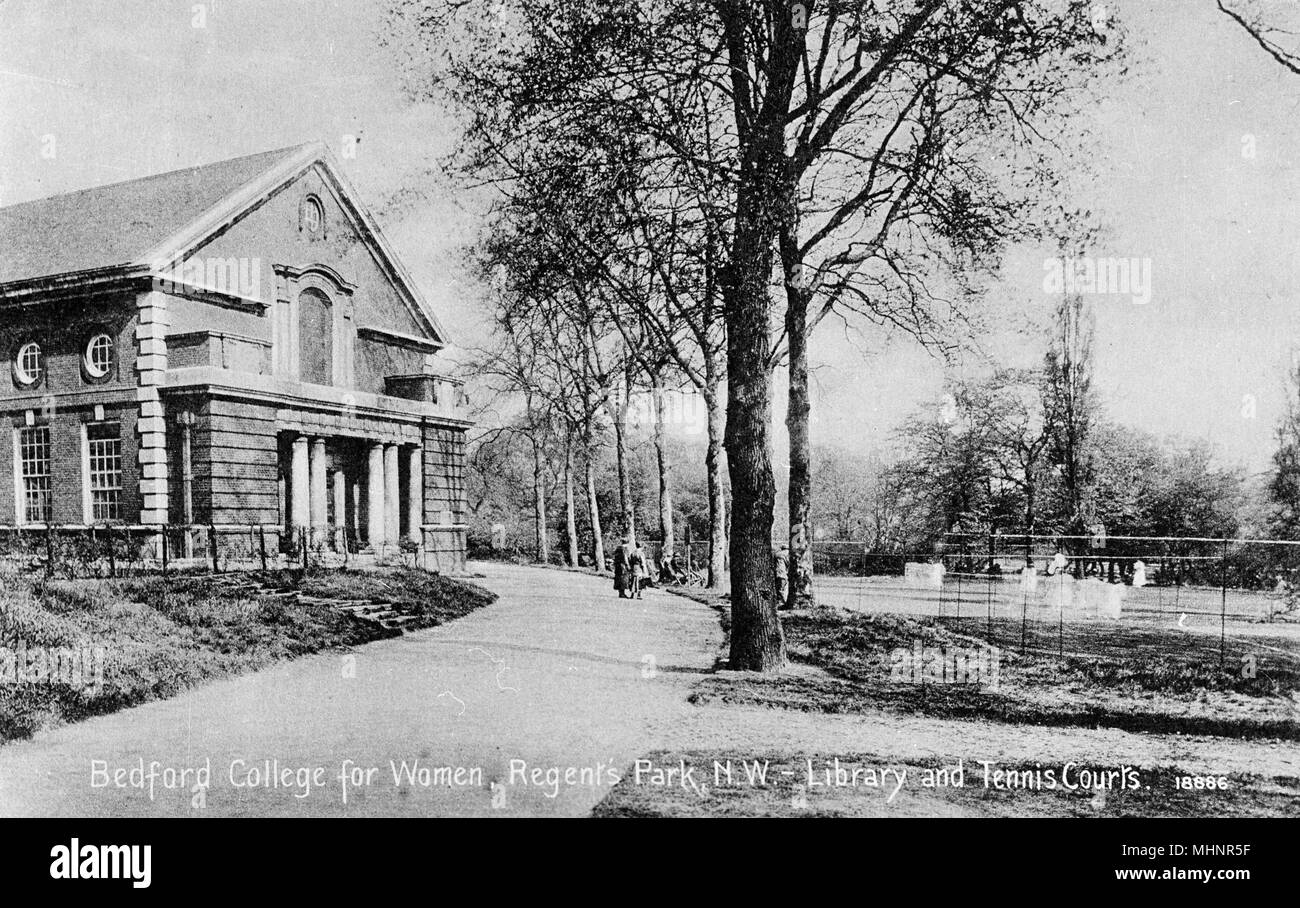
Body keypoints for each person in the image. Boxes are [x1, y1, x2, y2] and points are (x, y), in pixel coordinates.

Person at [774, 544, 790, 609]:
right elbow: (788, 563)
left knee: (779, 589)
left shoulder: (777, 554)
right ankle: (782, 603)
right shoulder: (787, 554)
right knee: (781, 589)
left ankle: (779, 602)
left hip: (777, 573)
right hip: (783, 574)